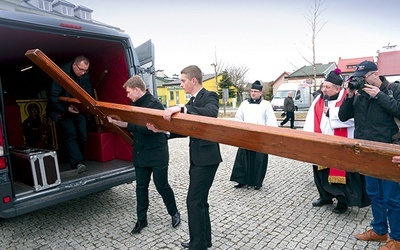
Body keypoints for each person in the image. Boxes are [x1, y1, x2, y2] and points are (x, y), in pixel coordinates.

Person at [147, 65, 222, 250]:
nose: (181, 84)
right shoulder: (192, 102)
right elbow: (187, 130)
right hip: (198, 158)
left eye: (182, 81)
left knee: (193, 201)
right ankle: (205, 241)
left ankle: (197, 245)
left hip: (207, 159)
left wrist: (182, 108)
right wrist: (163, 130)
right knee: (201, 201)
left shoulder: (209, 97)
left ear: (193, 80)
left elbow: (211, 113)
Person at [107, 75, 180, 234]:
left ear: (137, 89)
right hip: (140, 153)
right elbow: (132, 124)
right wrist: (117, 123)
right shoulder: (134, 103)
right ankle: (142, 220)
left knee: (161, 185)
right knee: (141, 188)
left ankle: (174, 213)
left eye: (128, 92)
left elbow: (151, 129)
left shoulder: (154, 104)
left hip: (156, 152)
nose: (127, 96)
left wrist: (131, 126)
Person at [339, 61, 400, 249]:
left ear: (375, 74)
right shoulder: (359, 95)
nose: (361, 82)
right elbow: (342, 116)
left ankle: (397, 238)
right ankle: (380, 231)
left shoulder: (393, 89)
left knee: (392, 197)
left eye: (363, 78)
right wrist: (349, 96)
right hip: (367, 152)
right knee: (374, 194)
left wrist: (380, 96)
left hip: (388, 151)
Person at [304, 68, 371, 214]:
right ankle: (325, 196)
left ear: (337, 88)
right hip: (322, 141)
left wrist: (331, 114)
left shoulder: (347, 98)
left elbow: (351, 119)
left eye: (327, 87)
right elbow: (311, 117)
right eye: (323, 86)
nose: (324, 89)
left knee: (342, 173)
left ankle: (342, 202)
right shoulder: (319, 99)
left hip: (341, 143)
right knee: (320, 171)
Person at [48, 56, 92, 174]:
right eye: (81, 69)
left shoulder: (85, 76)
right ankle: (77, 163)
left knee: (83, 135)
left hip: (78, 110)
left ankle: (76, 156)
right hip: (63, 110)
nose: (83, 73)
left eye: (85, 70)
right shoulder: (60, 74)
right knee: (71, 135)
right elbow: (53, 98)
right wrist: (66, 108)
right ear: (74, 65)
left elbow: (88, 95)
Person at [230, 80, 277, 190]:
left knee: (258, 160)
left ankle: (256, 182)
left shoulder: (266, 105)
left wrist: (270, 134)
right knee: (243, 159)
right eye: (252, 91)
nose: (253, 93)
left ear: (260, 93)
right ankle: (241, 180)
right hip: (246, 135)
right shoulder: (244, 104)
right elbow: (238, 118)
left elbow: (271, 121)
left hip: (260, 136)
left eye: (256, 91)